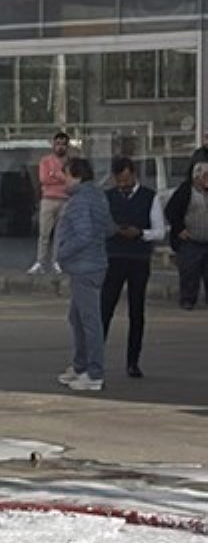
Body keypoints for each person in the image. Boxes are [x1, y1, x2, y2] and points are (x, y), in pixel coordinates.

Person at [101, 157, 164, 379]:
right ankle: (95, 358)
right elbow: (100, 226)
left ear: (133, 174)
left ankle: (133, 361)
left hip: (138, 257)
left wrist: (141, 233)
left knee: (136, 311)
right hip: (114, 257)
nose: (123, 185)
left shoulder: (149, 197)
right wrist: (114, 230)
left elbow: (160, 231)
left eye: (126, 180)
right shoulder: (107, 197)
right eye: (119, 181)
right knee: (104, 309)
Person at [54, 157, 112, 392]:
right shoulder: (98, 196)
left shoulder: (78, 201)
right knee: (77, 318)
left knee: (89, 320)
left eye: (66, 175)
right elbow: (108, 228)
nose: (63, 180)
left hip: (84, 266)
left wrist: (61, 253)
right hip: (94, 263)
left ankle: (94, 373)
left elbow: (83, 235)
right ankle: (80, 366)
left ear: (77, 176)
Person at [164, 161, 208, 310]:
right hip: (191, 241)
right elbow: (171, 211)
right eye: (205, 176)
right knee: (190, 272)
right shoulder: (185, 191)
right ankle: (188, 300)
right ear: (196, 177)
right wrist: (179, 229)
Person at [30, 131, 71, 275]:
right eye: (57, 144)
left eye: (63, 145)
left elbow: (70, 181)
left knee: (60, 234)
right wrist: (61, 177)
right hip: (48, 200)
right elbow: (43, 179)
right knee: (44, 233)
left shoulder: (70, 162)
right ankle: (40, 262)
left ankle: (56, 261)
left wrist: (54, 174)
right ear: (53, 145)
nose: (60, 147)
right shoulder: (45, 161)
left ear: (67, 146)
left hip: (65, 200)